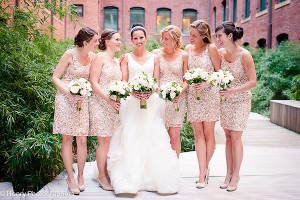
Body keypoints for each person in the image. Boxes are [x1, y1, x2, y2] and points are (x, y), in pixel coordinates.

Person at [107, 24, 180, 195]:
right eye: (135, 38)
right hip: (132, 102)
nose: (139, 41)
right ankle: (130, 178)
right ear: (131, 41)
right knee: (132, 137)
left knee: (153, 136)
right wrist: (134, 91)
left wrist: (148, 91)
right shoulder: (126, 58)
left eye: (141, 38)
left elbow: (156, 82)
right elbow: (124, 81)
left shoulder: (154, 58)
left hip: (151, 102)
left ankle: (154, 178)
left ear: (146, 39)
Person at [52, 27, 99, 195]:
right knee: (67, 138)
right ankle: (70, 177)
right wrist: (68, 94)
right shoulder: (69, 54)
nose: (97, 43)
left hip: (82, 100)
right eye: (95, 41)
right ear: (85, 42)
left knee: (82, 139)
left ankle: (80, 176)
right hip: (66, 99)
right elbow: (55, 77)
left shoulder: (93, 57)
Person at [215, 21, 256, 192]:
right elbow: (215, 74)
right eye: (216, 36)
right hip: (225, 101)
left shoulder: (244, 55)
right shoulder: (220, 53)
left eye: (219, 36)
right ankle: (228, 173)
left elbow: (253, 82)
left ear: (229, 36)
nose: (217, 39)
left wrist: (233, 91)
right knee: (228, 136)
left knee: (236, 136)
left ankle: (236, 175)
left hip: (241, 100)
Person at [184, 20, 220, 189]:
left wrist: (207, 82)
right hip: (193, 96)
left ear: (203, 36)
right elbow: (185, 74)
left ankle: (204, 169)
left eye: (194, 35)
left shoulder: (211, 49)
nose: (190, 38)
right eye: (190, 34)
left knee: (208, 133)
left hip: (210, 95)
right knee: (198, 134)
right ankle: (202, 172)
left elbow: (219, 73)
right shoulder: (187, 49)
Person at [89, 29, 122, 191]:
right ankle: (102, 176)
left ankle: (106, 172)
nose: (119, 42)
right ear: (107, 42)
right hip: (101, 104)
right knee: (104, 141)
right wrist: (108, 100)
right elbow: (93, 83)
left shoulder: (116, 61)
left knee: (112, 141)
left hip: (114, 107)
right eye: (117, 39)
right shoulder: (99, 58)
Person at [152, 25, 188, 157]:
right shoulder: (156, 54)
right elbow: (154, 78)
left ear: (175, 39)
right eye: (162, 38)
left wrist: (179, 92)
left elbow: (187, 79)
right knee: (160, 134)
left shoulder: (184, 55)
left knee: (174, 134)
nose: (163, 41)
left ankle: (174, 167)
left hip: (177, 100)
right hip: (159, 98)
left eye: (166, 39)